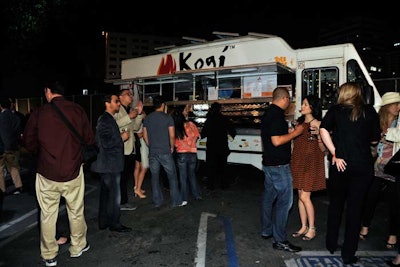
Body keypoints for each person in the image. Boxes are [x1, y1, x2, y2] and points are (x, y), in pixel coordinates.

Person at [23, 80, 94, 266]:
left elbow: (29, 143)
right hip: (72, 171)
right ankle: (78, 247)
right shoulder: (77, 110)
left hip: (47, 172)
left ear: (47, 91)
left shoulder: (39, 113)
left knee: (47, 214)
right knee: (76, 211)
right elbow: (88, 138)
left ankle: (49, 255)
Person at [319, 82, 381, 265]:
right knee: (355, 210)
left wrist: (335, 152)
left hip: (340, 164)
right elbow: (374, 139)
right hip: (361, 166)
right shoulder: (368, 111)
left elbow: (323, 129)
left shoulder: (336, 110)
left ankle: (331, 244)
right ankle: (348, 254)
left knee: (335, 205)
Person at [260, 87, 304, 253]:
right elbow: (277, 141)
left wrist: (289, 132)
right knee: (285, 201)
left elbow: (273, 138)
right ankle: (279, 240)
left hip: (269, 163)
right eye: (290, 99)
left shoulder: (268, 113)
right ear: (284, 98)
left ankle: (266, 230)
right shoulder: (277, 115)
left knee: (268, 196)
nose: (290, 103)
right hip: (279, 166)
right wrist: (296, 133)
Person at [360, 92, 400, 249]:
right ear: (387, 106)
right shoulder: (377, 121)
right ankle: (365, 226)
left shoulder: (398, 122)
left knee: (395, 203)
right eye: (395, 104)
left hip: (394, 166)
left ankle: (393, 234)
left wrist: (384, 135)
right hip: (377, 165)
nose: (398, 107)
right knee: (370, 197)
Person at [90, 93, 132, 232]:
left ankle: (104, 222)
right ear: (108, 103)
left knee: (106, 194)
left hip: (109, 164)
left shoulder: (108, 119)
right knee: (114, 196)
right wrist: (122, 138)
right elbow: (105, 142)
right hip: (110, 165)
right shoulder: (105, 120)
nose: (119, 104)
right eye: (116, 101)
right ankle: (114, 224)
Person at [290, 95, 326, 241]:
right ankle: (303, 226)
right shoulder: (298, 123)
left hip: (312, 163)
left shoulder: (319, 124)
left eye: (305, 104)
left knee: (305, 196)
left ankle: (312, 228)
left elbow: (324, 149)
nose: (302, 106)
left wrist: (319, 136)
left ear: (312, 107)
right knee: (300, 195)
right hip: (298, 161)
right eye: (303, 104)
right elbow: (294, 144)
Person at [142, 95, 186, 208]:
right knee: (172, 176)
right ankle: (175, 201)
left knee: (155, 178)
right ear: (163, 105)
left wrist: (150, 145)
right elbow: (172, 135)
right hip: (165, 151)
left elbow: (145, 135)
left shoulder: (147, 118)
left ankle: (157, 201)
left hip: (153, 152)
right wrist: (171, 147)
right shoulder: (167, 118)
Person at [114, 88, 144, 210]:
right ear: (120, 97)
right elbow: (113, 124)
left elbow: (136, 128)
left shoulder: (130, 110)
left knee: (125, 178)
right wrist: (129, 117)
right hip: (121, 149)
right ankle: (120, 202)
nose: (131, 96)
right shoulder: (117, 110)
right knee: (120, 178)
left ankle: (123, 201)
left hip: (130, 149)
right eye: (128, 94)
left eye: (131, 94)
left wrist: (139, 114)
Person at [200, 102, 236, 190]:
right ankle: (224, 185)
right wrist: (230, 136)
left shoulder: (209, 120)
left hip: (212, 147)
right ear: (220, 109)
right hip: (222, 146)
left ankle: (210, 185)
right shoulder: (224, 119)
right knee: (223, 167)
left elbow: (204, 133)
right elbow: (233, 131)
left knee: (211, 167)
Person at [172, 107, 202, 202]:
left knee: (183, 177)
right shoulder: (191, 124)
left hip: (181, 154)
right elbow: (197, 136)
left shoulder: (175, 127)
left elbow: (173, 141)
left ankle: (184, 198)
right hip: (193, 153)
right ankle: (197, 195)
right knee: (192, 175)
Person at [0, 97, 24, 195]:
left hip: (1, 147)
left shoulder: (0, 117)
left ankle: (2, 189)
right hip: (13, 147)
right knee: (13, 167)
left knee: (0, 169)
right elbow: (18, 133)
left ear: (0, 106)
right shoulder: (16, 117)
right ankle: (18, 186)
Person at [133, 100, 148, 199]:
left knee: (137, 167)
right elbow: (139, 134)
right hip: (141, 145)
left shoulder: (135, 118)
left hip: (137, 145)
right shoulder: (138, 120)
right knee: (144, 167)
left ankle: (136, 187)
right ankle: (138, 189)